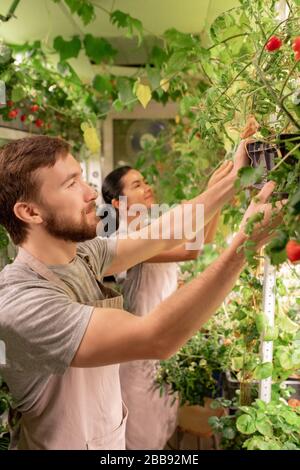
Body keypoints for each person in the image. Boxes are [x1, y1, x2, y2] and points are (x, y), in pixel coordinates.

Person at [0, 135, 282, 450]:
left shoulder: (82, 253)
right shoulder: (20, 302)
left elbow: (164, 233)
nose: (91, 193)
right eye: (70, 185)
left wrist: (233, 179)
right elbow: (156, 337)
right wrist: (245, 245)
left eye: (82, 178)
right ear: (30, 212)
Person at [101, 162, 232, 449]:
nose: (147, 186)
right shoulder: (126, 239)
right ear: (118, 203)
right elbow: (190, 250)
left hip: (161, 344)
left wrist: (217, 195)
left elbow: (204, 239)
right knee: (142, 437)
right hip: (140, 353)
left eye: (144, 180)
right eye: (136, 185)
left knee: (160, 424)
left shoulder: (151, 228)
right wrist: (215, 189)